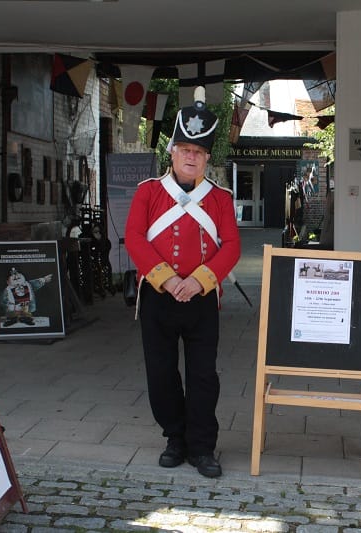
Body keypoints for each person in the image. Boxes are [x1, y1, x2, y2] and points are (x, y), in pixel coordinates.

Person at [125, 86, 240, 478]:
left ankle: (202, 447)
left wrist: (200, 282)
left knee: (203, 376)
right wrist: (168, 280)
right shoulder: (149, 193)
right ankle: (175, 437)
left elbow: (232, 247)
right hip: (159, 297)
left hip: (202, 299)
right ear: (172, 152)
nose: (192, 157)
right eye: (185, 150)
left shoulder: (220, 198)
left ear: (207, 157)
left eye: (200, 152)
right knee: (161, 373)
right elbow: (136, 238)